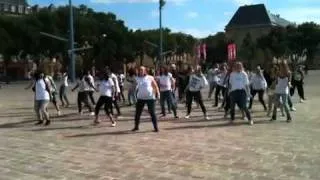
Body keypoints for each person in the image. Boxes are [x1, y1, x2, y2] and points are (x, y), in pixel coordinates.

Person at [132, 66, 160, 132]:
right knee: (137, 113)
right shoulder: (137, 78)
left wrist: (158, 94)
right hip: (140, 98)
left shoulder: (150, 77)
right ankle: (136, 126)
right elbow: (135, 87)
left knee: (152, 113)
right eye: (139, 70)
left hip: (150, 98)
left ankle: (156, 127)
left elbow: (155, 86)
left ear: (145, 71)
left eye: (142, 70)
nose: (141, 71)